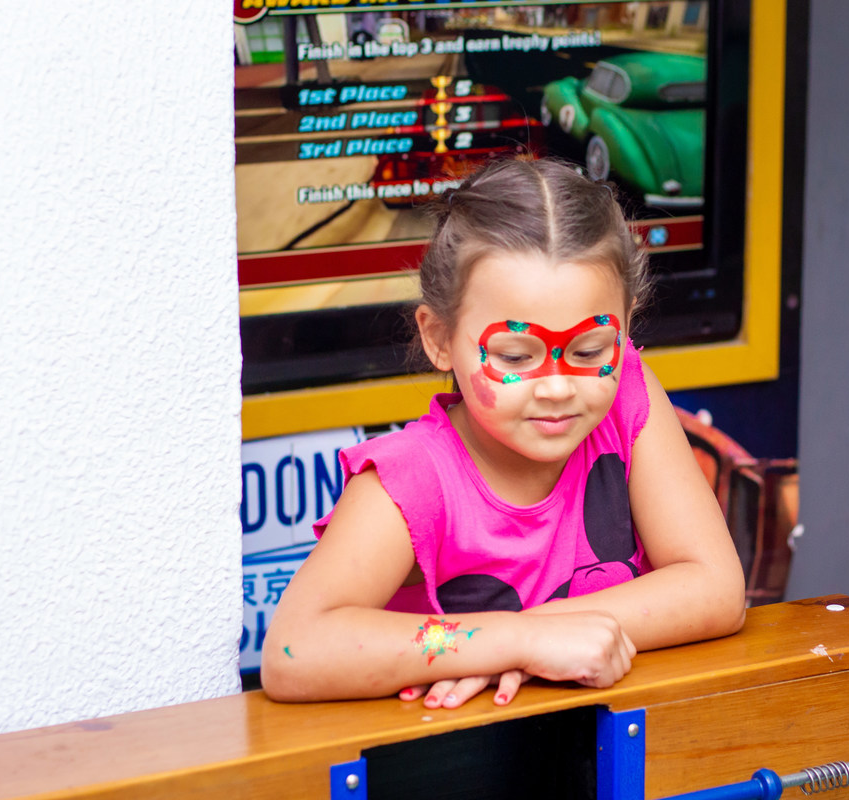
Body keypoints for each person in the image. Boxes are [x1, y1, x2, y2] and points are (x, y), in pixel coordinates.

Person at [261, 158, 746, 709]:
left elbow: (716, 588)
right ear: (440, 338)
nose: (558, 387)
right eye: (516, 355)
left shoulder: (627, 395)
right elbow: (294, 650)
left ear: (627, 324)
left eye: (589, 352)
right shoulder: (411, 479)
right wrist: (520, 641)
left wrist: (540, 634)